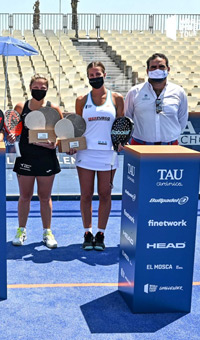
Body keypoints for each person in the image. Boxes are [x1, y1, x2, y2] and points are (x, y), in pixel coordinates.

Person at [70, 62, 124, 251]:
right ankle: (87, 232)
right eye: (91, 75)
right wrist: (71, 145)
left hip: (108, 154)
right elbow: (77, 128)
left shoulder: (117, 98)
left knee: (105, 194)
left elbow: (121, 127)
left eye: (97, 74)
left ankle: (100, 233)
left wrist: (121, 143)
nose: (94, 77)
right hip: (85, 153)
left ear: (104, 74)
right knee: (86, 195)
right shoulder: (81, 100)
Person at [8, 74, 63, 249]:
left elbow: (61, 133)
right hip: (25, 157)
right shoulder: (20, 107)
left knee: (45, 197)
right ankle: (21, 230)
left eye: (42, 88)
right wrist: (11, 135)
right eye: (36, 87)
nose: (39, 91)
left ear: (47, 89)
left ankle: (47, 232)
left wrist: (56, 142)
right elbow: (13, 130)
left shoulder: (53, 108)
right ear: (30, 87)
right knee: (25, 196)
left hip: (47, 158)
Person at [125, 53, 189, 145]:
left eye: (161, 66)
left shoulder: (179, 92)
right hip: (140, 146)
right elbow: (128, 117)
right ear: (147, 71)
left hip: (170, 147)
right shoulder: (134, 92)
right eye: (153, 67)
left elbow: (182, 119)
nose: (157, 70)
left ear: (168, 69)